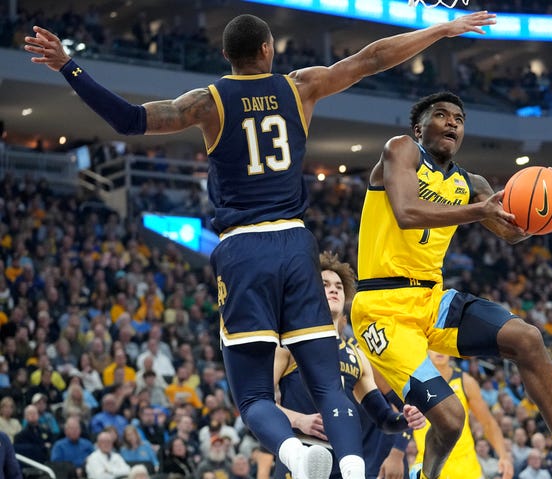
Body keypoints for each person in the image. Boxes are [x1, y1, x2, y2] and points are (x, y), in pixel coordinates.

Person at [25, 12, 497, 479]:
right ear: (269, 50)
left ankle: (293, 454)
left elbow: (129, 120)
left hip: (243, 249)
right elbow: (372, 58)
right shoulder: (300, 87)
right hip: (295, 243)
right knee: (329, 382)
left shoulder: (206, 102)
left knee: (252, 395)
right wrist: (440, 29)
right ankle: (352, 466)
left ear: (226, 55)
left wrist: (70, 66)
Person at [349, 91, 552, 479]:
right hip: (381, 308)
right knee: (452, 418)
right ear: (419, 128)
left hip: (430, 300)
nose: (452, 122)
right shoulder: (401, 150)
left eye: (459, 118)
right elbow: (405, 212)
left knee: (528, 339)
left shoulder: (471, 183)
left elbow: (513, 231)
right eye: (441, 115)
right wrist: (477, 210)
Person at [273, 252, 425, 479]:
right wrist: (300, 420)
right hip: (299, 455)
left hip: (345, 463)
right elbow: (258, 405)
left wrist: (406, 419)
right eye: (324, 284)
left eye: (338, 286)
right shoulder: (287, 344)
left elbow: (384, 419)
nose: (333, 289)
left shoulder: (357, 355)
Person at [410, 352, 513, 479]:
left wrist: (503, 455)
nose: (438, 351)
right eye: (432, 347)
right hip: (428, 462)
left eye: (439, 346)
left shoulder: (466, 381)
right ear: (425, 349)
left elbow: (488, 422)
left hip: (466, 465)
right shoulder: (412, 381)